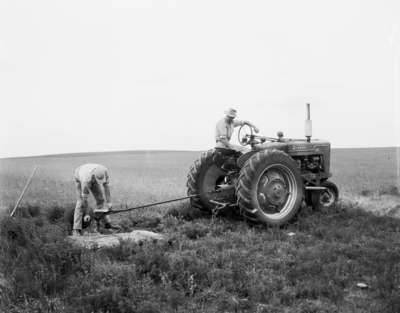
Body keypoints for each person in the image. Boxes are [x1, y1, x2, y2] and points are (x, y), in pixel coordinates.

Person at [72, 163, 118, 236]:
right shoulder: (86, 180)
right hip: (79, 174)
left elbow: (106, 187)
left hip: (91, 175)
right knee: (80, 202)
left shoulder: (104, 170)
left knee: (101, 199)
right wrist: (86, 214)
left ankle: (107, 224)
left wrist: (109, 203)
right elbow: (85, 199)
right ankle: (76, 229)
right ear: (94, 177)